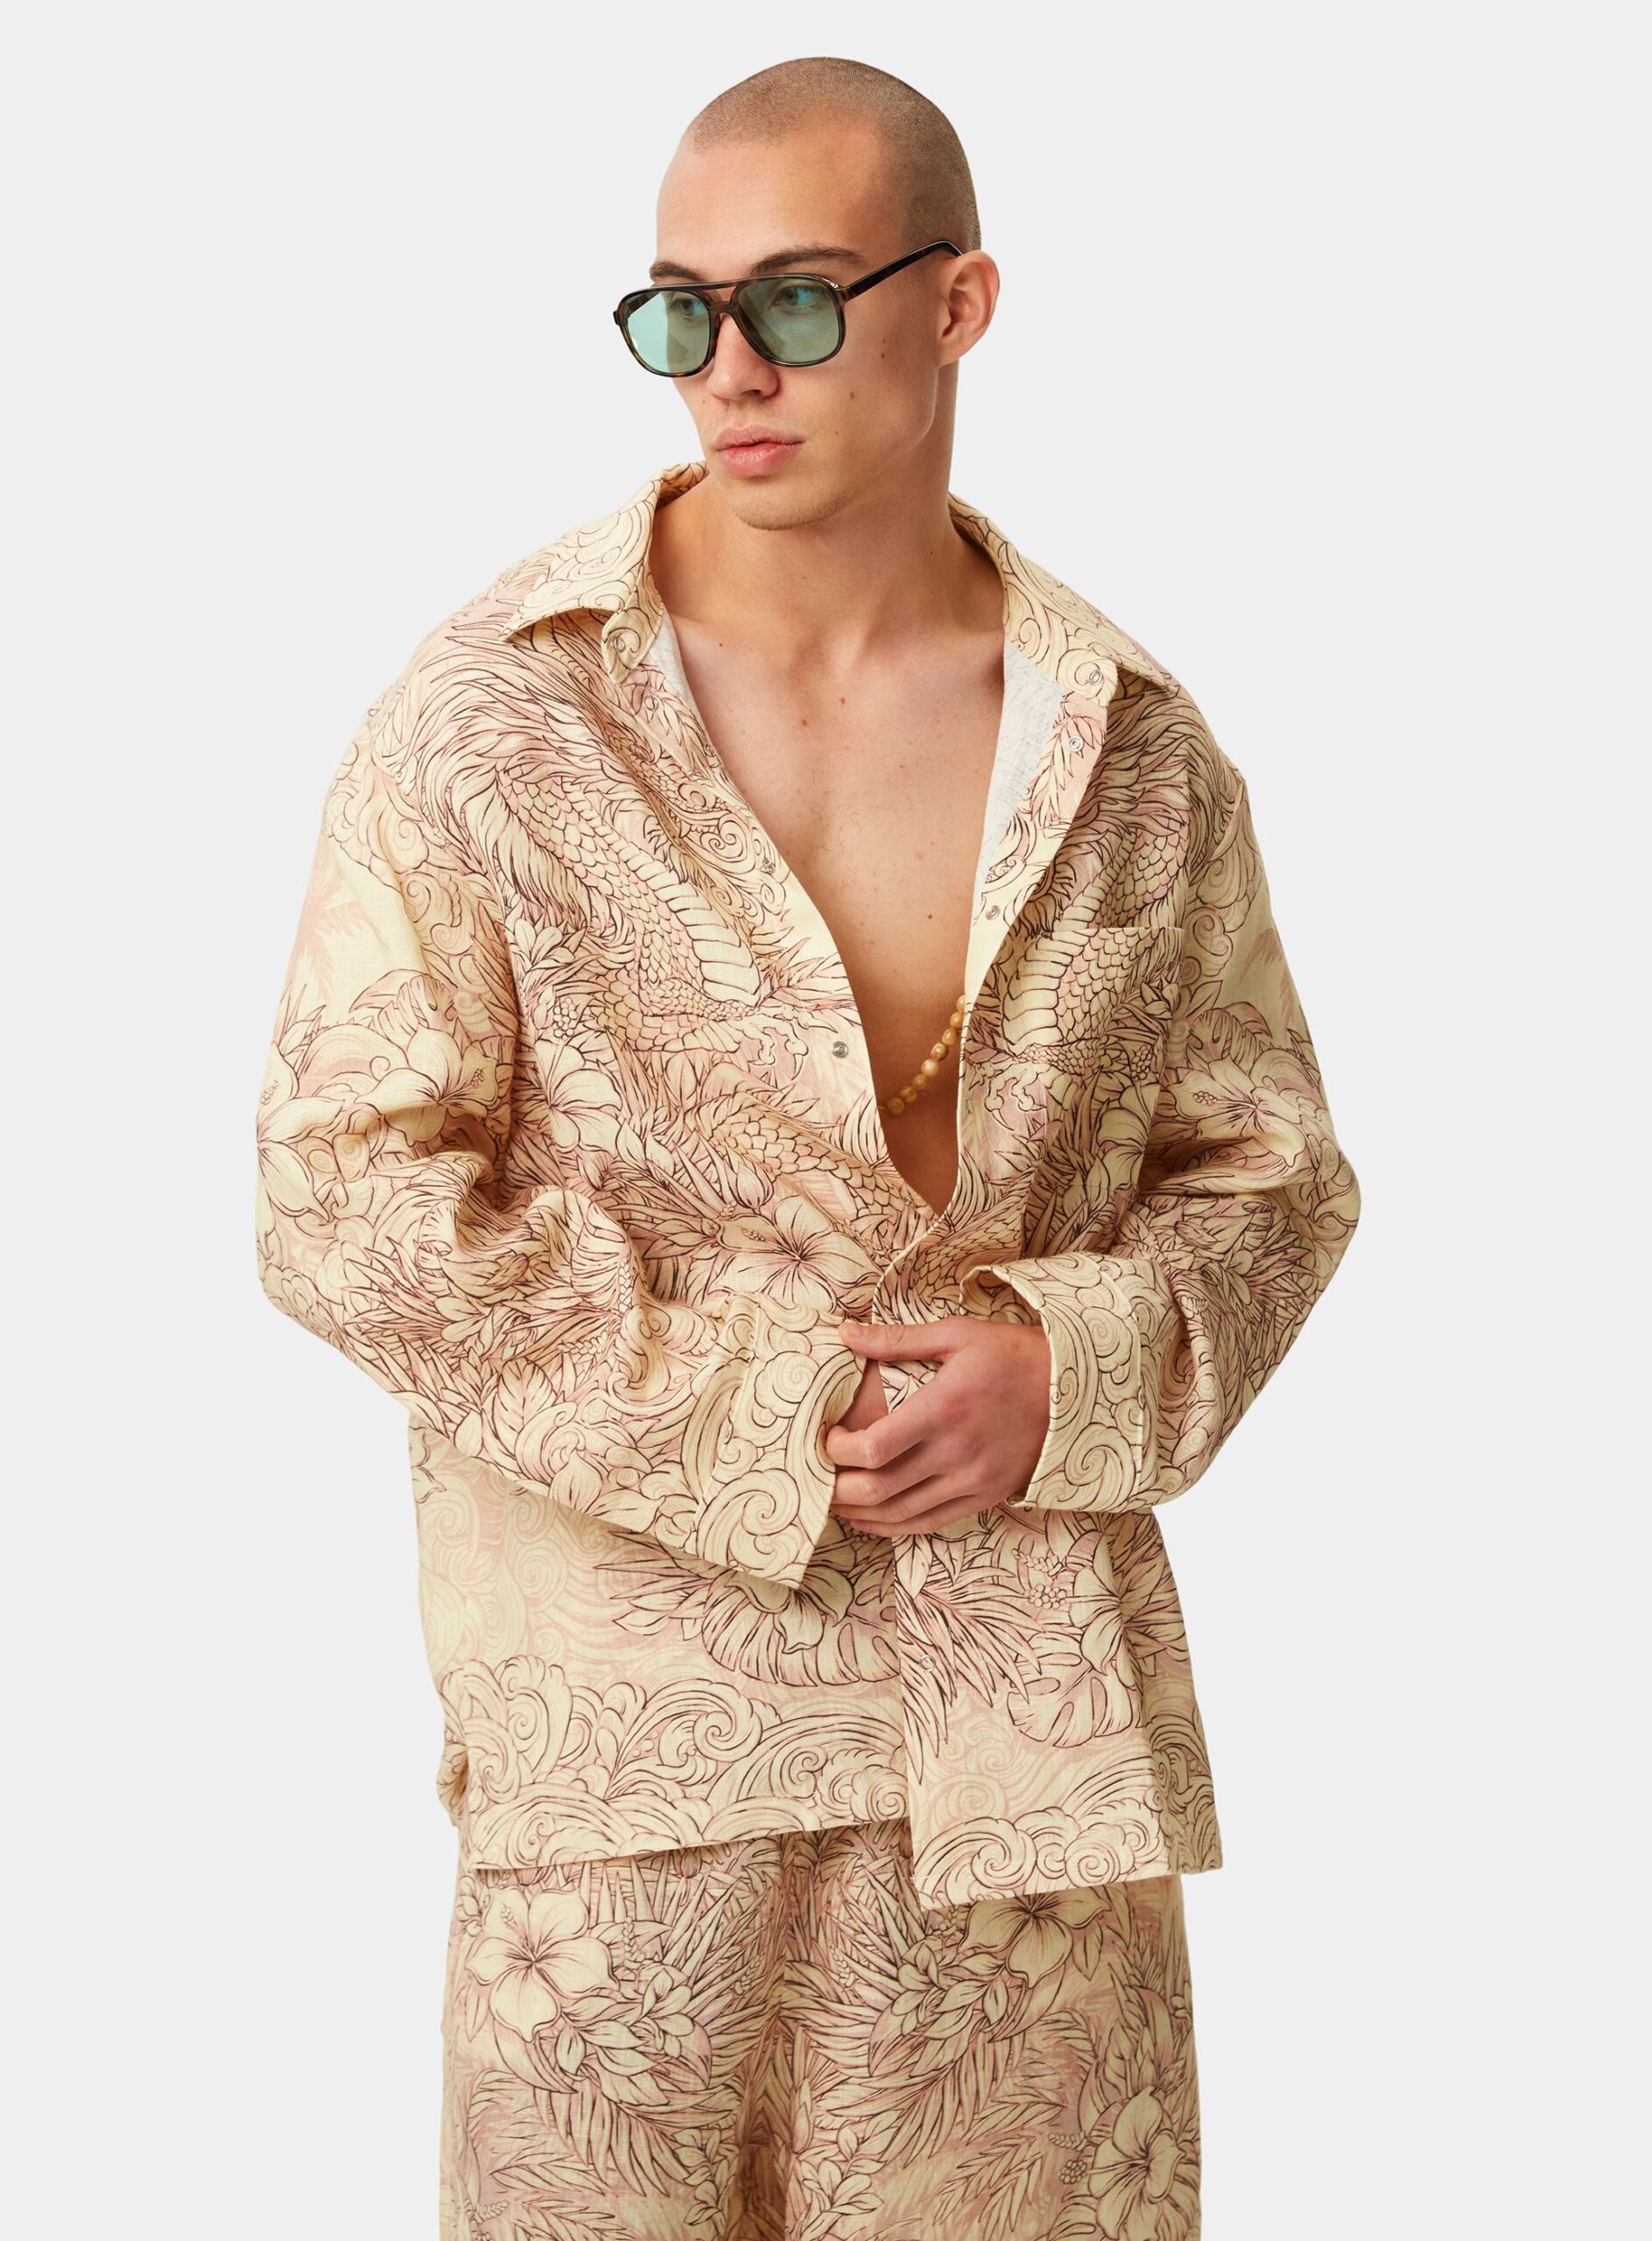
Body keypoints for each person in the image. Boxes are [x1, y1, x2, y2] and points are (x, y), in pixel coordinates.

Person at [255, 53, 1360, 2241]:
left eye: (792, 299)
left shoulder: (1132, 749)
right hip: (626, 1766)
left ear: (958, 303)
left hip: (1026, 1770)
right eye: (679, 311)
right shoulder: (497, 715)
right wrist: (765, 1408)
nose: (728, 372)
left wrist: (1065, 1366)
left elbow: (1269, 1168)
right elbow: (339, 1194)